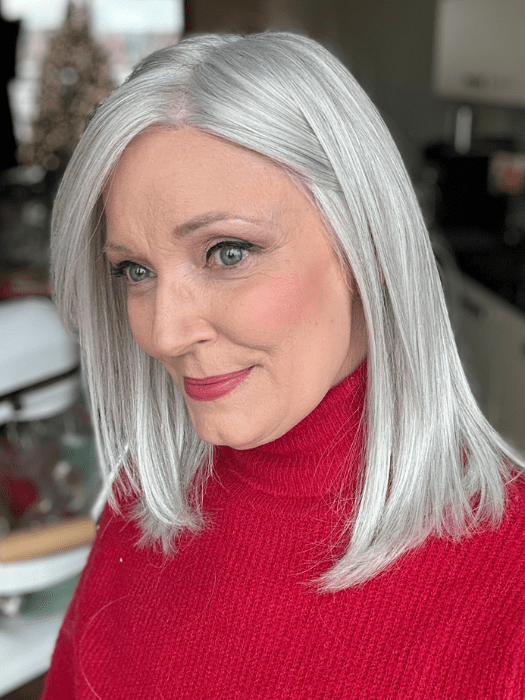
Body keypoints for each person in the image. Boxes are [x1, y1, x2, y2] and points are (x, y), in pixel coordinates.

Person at [41, 31, 525, 699]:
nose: (164, 332)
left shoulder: (509, 582)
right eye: (135, 270)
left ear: (369, 245)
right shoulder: (144, 505)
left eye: (227, 253)